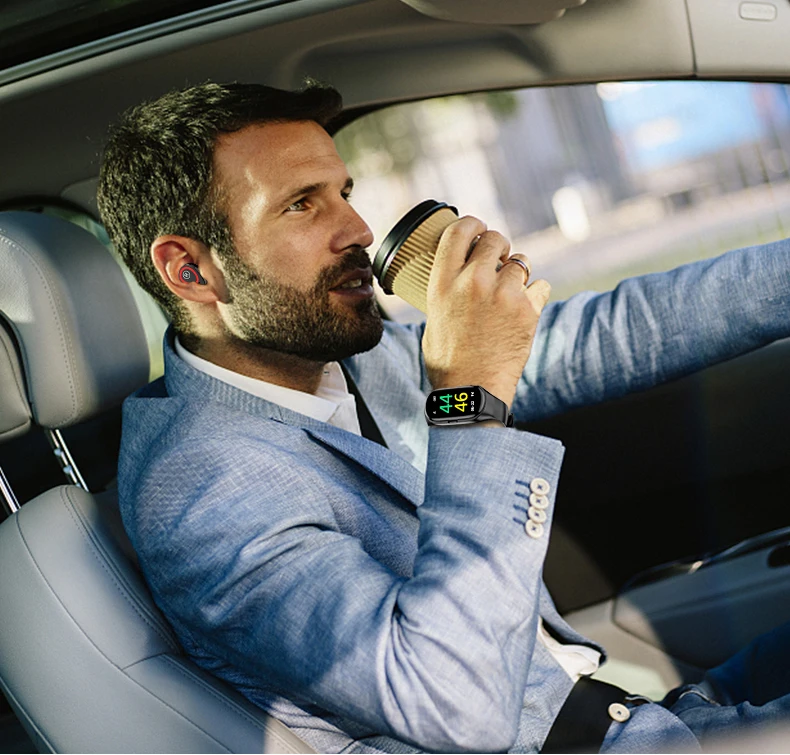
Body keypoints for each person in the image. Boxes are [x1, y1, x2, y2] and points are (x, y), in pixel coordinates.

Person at [98, 81, 790, 753]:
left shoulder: (338, 360)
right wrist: (471, 394)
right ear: (190, 270)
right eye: (301, 205)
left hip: (618, 713)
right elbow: (458, 705)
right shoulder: (201, 491)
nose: (359, 230)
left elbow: (615, 332)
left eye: (344, 193)